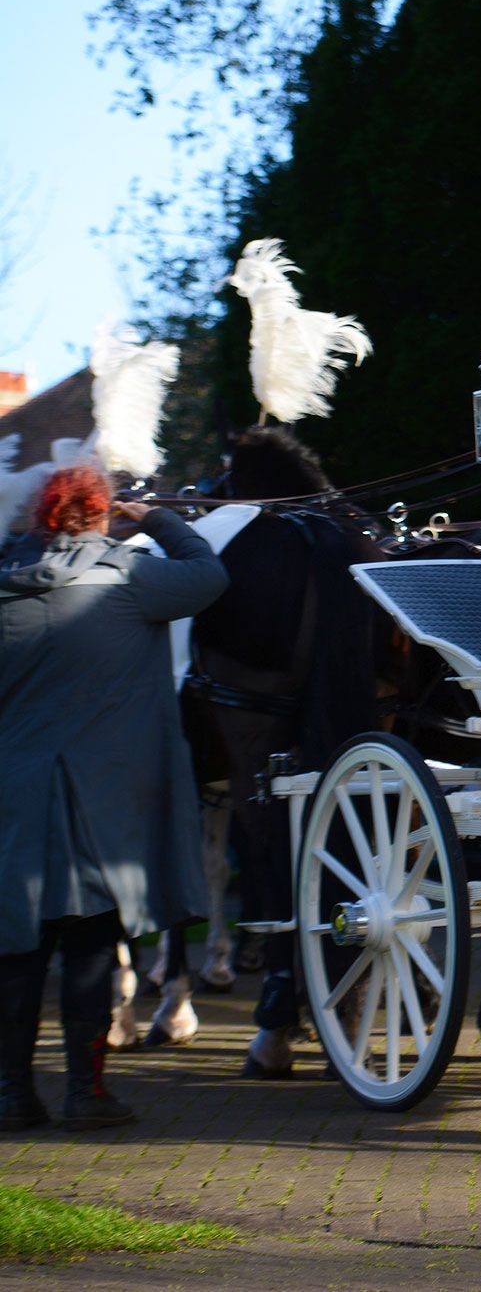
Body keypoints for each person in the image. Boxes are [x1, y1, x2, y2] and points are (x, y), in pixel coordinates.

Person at [0, 466, 227, 1130]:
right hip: (100, 804)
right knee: (91, 949)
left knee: (16, 953)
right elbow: (208, 572)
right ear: (101, 515)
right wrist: (154, 516)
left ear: (42, 516)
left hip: (14, 798)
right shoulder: (131, 577)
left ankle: (12, 1094)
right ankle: (84, 1092)